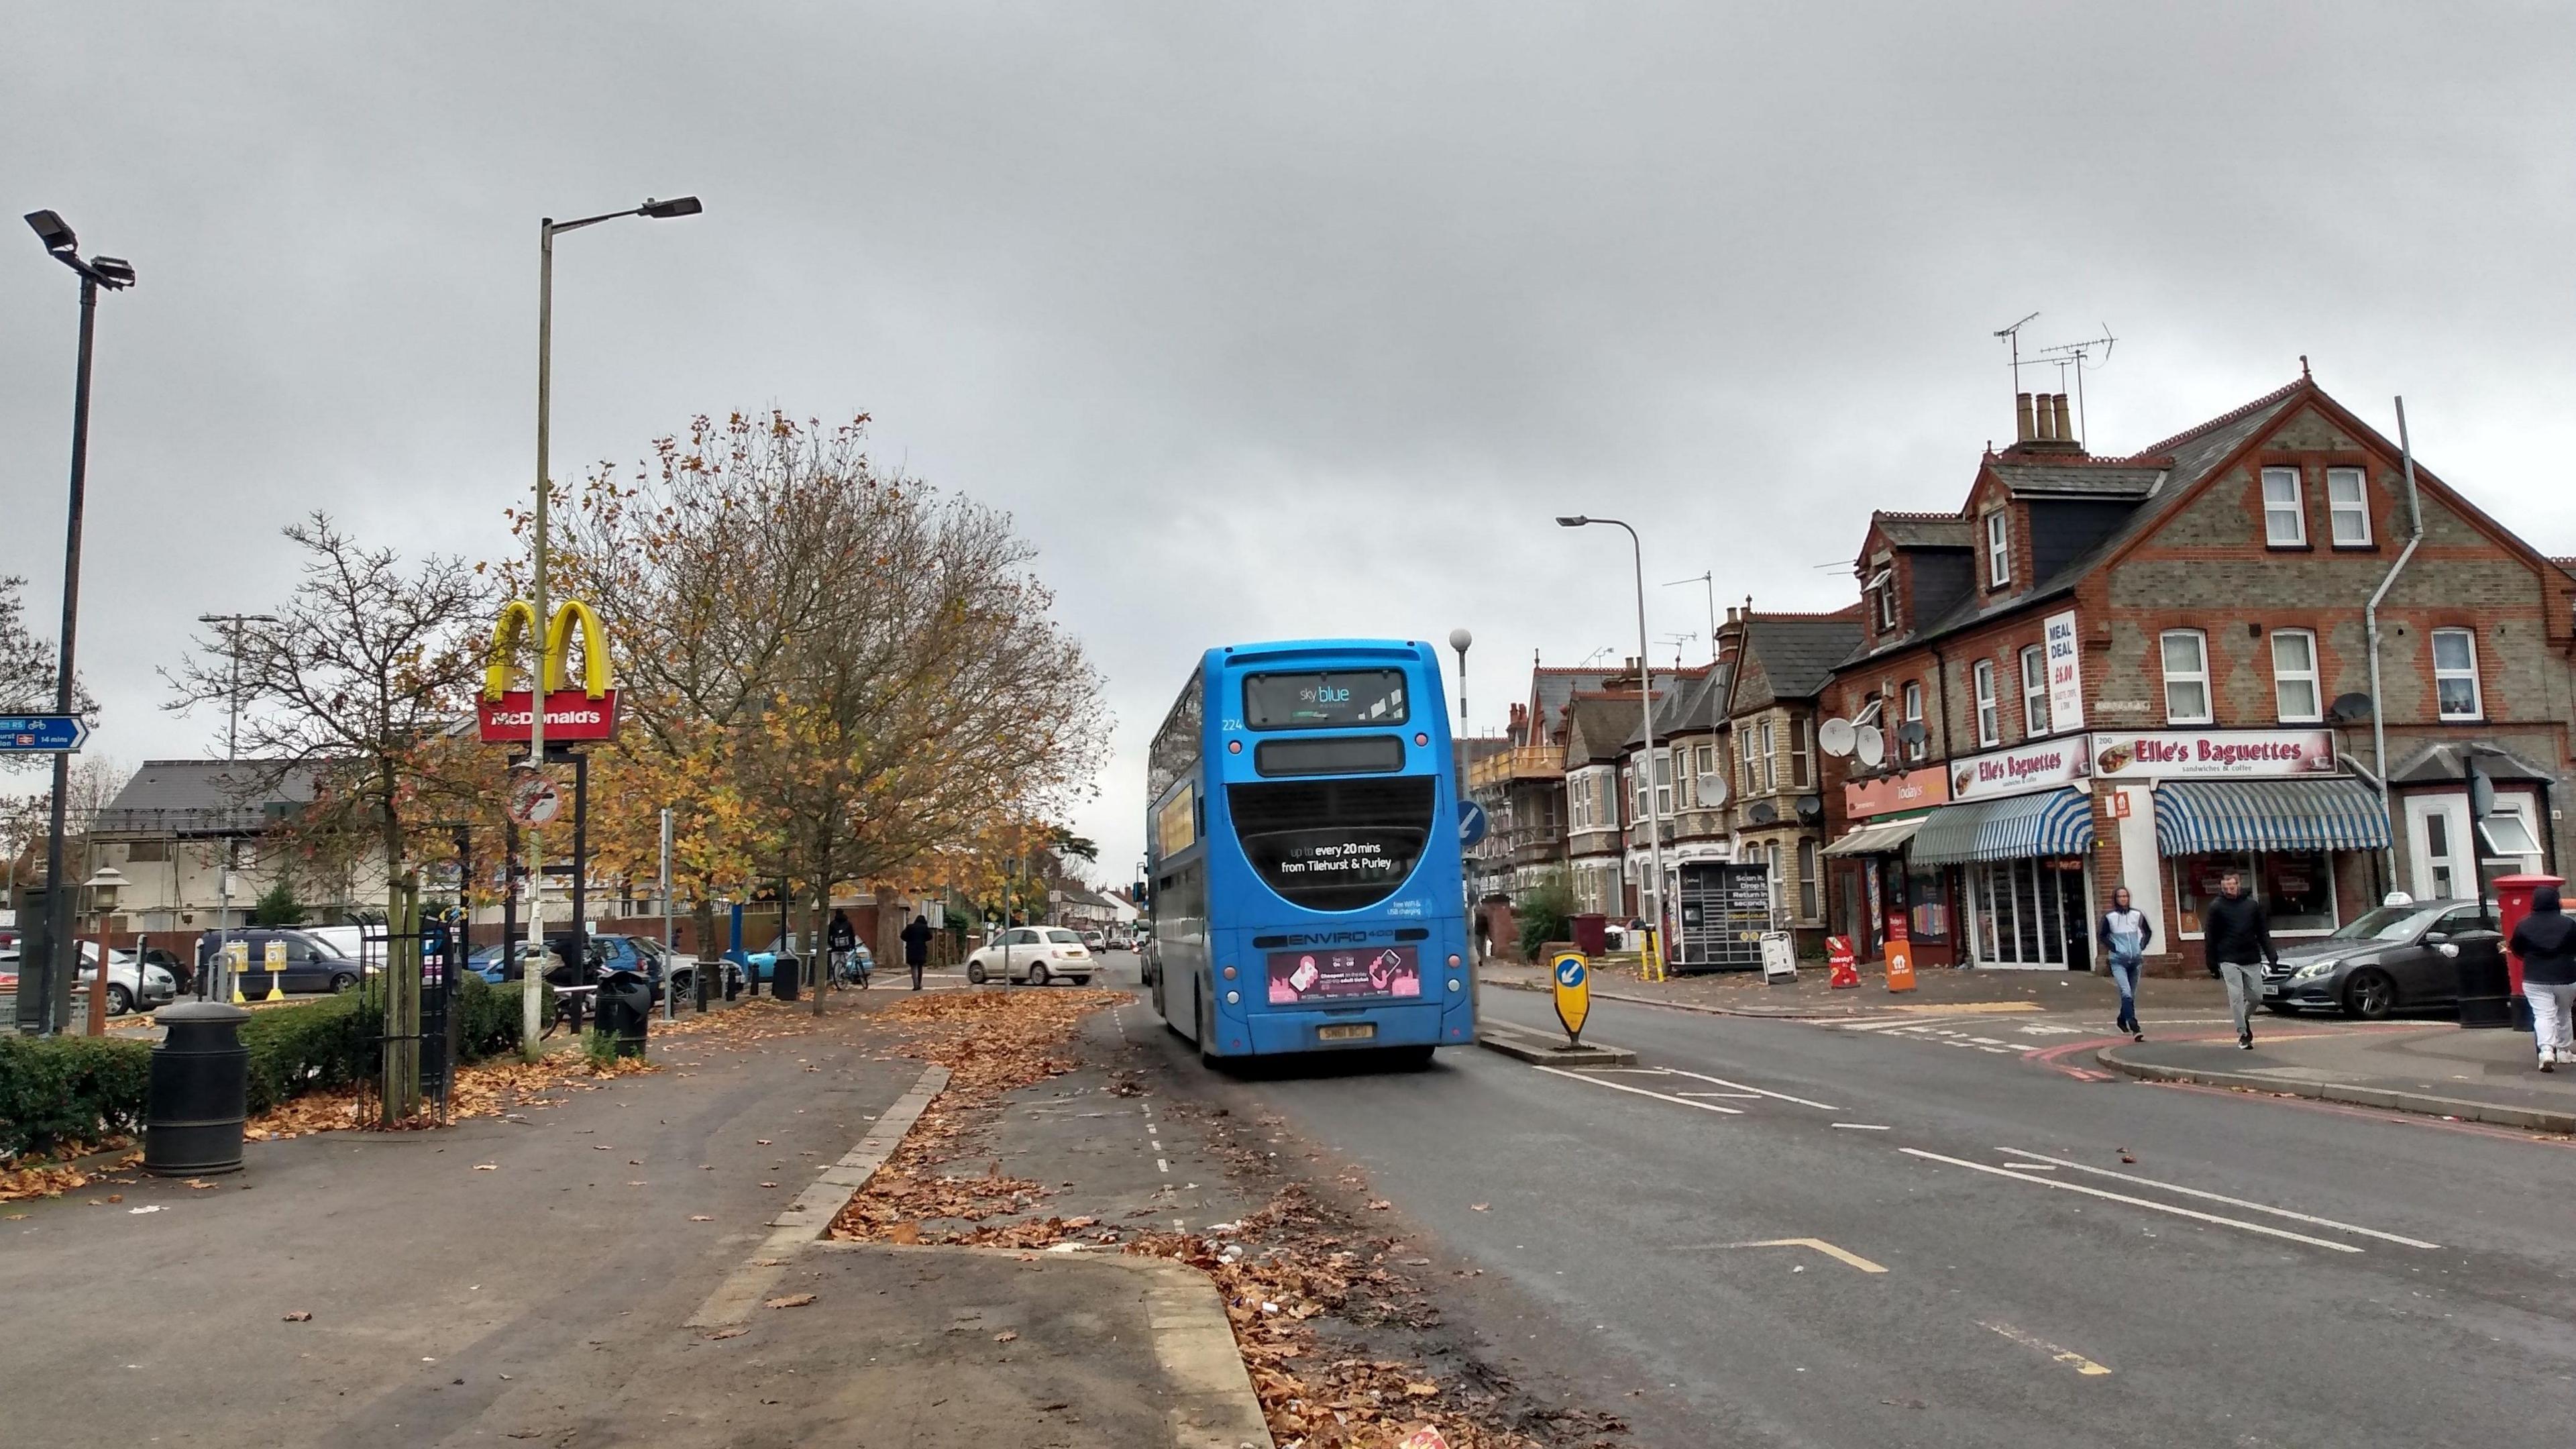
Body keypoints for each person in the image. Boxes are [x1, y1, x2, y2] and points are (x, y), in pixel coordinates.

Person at [2200, 871, 2277, 1049]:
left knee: (2257, 996)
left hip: (2251, 957)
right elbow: (2210, 936)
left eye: (2232, 886)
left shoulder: (2251, 905)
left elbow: (2262, 933)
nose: (2229, 889)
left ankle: (2245, 1018)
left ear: (2238, 885)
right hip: (2228, 958)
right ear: (2221, 886)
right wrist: (2211, 963)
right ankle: (2243, 1034)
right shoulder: (2216, 907)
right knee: (2236, 997)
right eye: (2225, 886)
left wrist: (2272, 957)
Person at [2508, 884, 2576, 1073]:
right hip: (2566, 977)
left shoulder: (2524, 924)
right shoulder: (2568, 924)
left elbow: (2517, 948)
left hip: (2535, 978)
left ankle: (2546, 1051)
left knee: (2543, 1015)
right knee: (2564, 1014)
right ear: (2557, 901)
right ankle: (2564, 1050)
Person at [2096, 886, 2153, 1041]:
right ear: (2115, 899)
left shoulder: (2137, 915)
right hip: (2118, 961)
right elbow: (2102, 936)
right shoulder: (2110, 917)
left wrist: (2141, 946)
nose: (2123, 899)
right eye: (2120, 896)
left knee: (2131, 995)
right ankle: (2134, 1026)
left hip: (2135, 960)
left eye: (2126, 896)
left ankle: (2122, 1019)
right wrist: (2115, 948)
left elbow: (2148, 932)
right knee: (2126, 992)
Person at [826, 909, 862, 988]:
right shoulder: (848, 923)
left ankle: (836, 980)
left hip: (835, 948)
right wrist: (852, 945)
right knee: (844, 962)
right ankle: (843, 973)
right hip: (846, 947)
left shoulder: (832, 924)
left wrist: (831, 945)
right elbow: (852, 935)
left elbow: (829, 936)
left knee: (835, 963)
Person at [901, 912, 934, 991]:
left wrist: (909, 940)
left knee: (913, 967)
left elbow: (903, 936)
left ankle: (915, 984)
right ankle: (919, 983)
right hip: (921, 949)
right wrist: (923, 939)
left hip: (911, 949)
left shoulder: (910, 927)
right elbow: (930, 937)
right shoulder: (924, 928)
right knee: (920, 967)